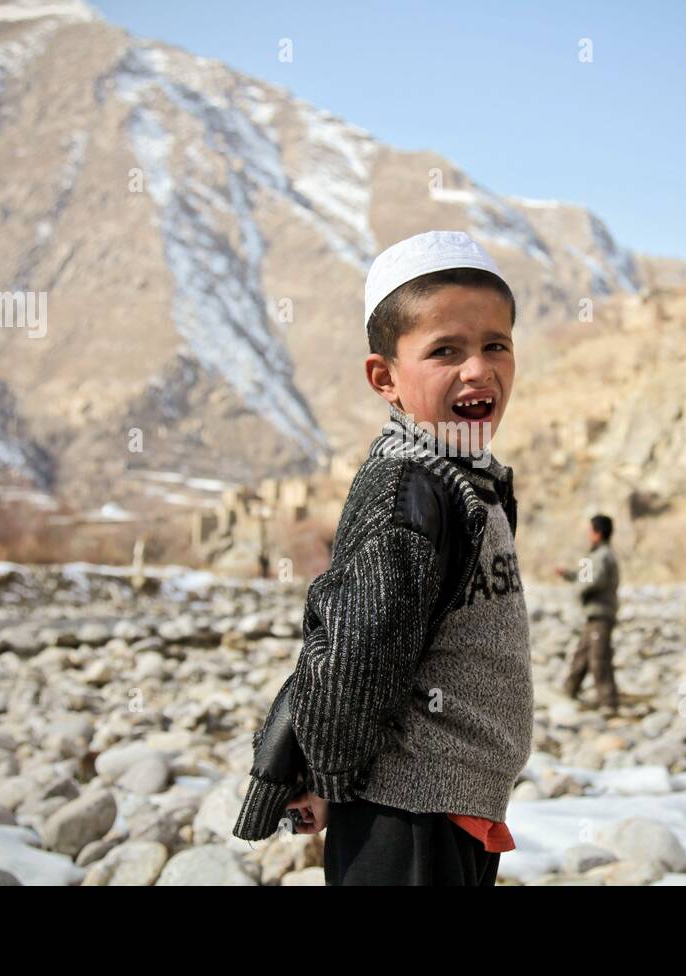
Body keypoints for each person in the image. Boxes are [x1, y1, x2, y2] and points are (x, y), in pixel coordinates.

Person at [232, 230, 533, 885]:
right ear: (385, 378)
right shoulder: (411, 489)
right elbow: (352, 646)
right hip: (405, 812)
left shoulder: (467, 475)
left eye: (495, 346)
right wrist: (330, 776)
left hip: (454, 804)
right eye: (445, 351)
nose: (477, 370)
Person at [554, 514, 621, 716]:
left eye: (590, 530)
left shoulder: (603, 556)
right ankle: (569, 691)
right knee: (582, 655)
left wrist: (577, 588)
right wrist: (569, 575)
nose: (588, 534)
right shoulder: (596, 555)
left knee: (599, 659)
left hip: (601, 615)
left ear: (597, 532)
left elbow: (593, 581)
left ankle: (609, 703)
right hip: (593, 616)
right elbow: (585, 576)